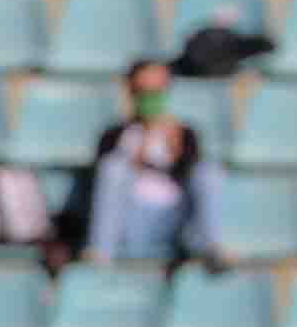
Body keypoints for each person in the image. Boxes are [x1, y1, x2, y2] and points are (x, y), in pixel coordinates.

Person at [56, 59, 227, 270]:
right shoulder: (115, 134)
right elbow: (98, 184)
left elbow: (194, 181)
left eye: (157, 91)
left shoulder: (185, 134)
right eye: (143, 91)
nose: (150, 98)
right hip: (131, 220)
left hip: (172, 219)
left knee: (209, 171)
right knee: (114, 167)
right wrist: (136, 155)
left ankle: (212, 246)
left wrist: (177, 152)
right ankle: (101, 252)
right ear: (131, 92)